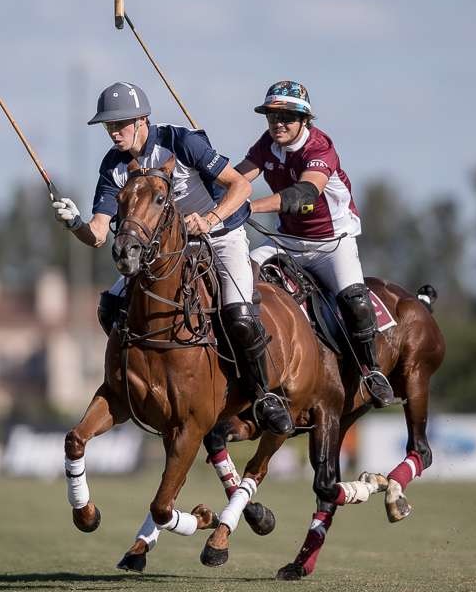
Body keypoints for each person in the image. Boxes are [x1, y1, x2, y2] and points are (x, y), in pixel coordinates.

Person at [50, 81, 293, 435]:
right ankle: (131, 381)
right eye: (108, 126)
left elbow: (240, 186)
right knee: (110, 305)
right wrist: (74, 224)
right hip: (169, 252)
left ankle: (262, 395)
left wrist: (210, 219)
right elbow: (99, 234)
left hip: (222, 236)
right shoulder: (114, 166)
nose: (114, 133)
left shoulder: (181, 142)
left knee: (239, 315)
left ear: (142, 120)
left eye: (120, 124)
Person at [233, 80, 397, 408]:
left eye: (287, 117)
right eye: (272, 116)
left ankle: (371, 370)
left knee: (356, 302)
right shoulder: (267, 144)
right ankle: (250, 369)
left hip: (331, 244)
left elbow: (303, 194)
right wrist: (209, 173)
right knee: (240, 276)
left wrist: (249, 206)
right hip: (287, 241)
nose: (278, 124)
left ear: (305, 120)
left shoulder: (320, 149)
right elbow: (237, 178)